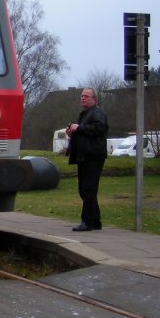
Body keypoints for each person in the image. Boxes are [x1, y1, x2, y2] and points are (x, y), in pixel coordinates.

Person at [65, 87, 109, 231]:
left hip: (93, 156)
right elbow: (84, 131)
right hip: (84, 156)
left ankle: (87, 222)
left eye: (86, 96)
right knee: (84, 190)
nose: (83, 98)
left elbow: (99, 128)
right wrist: (73, 132)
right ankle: (96, 220)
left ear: (94, 99)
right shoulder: (85, 114)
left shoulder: (98, 113)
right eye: (82, 96)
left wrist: (79, 128)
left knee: (88, 189)